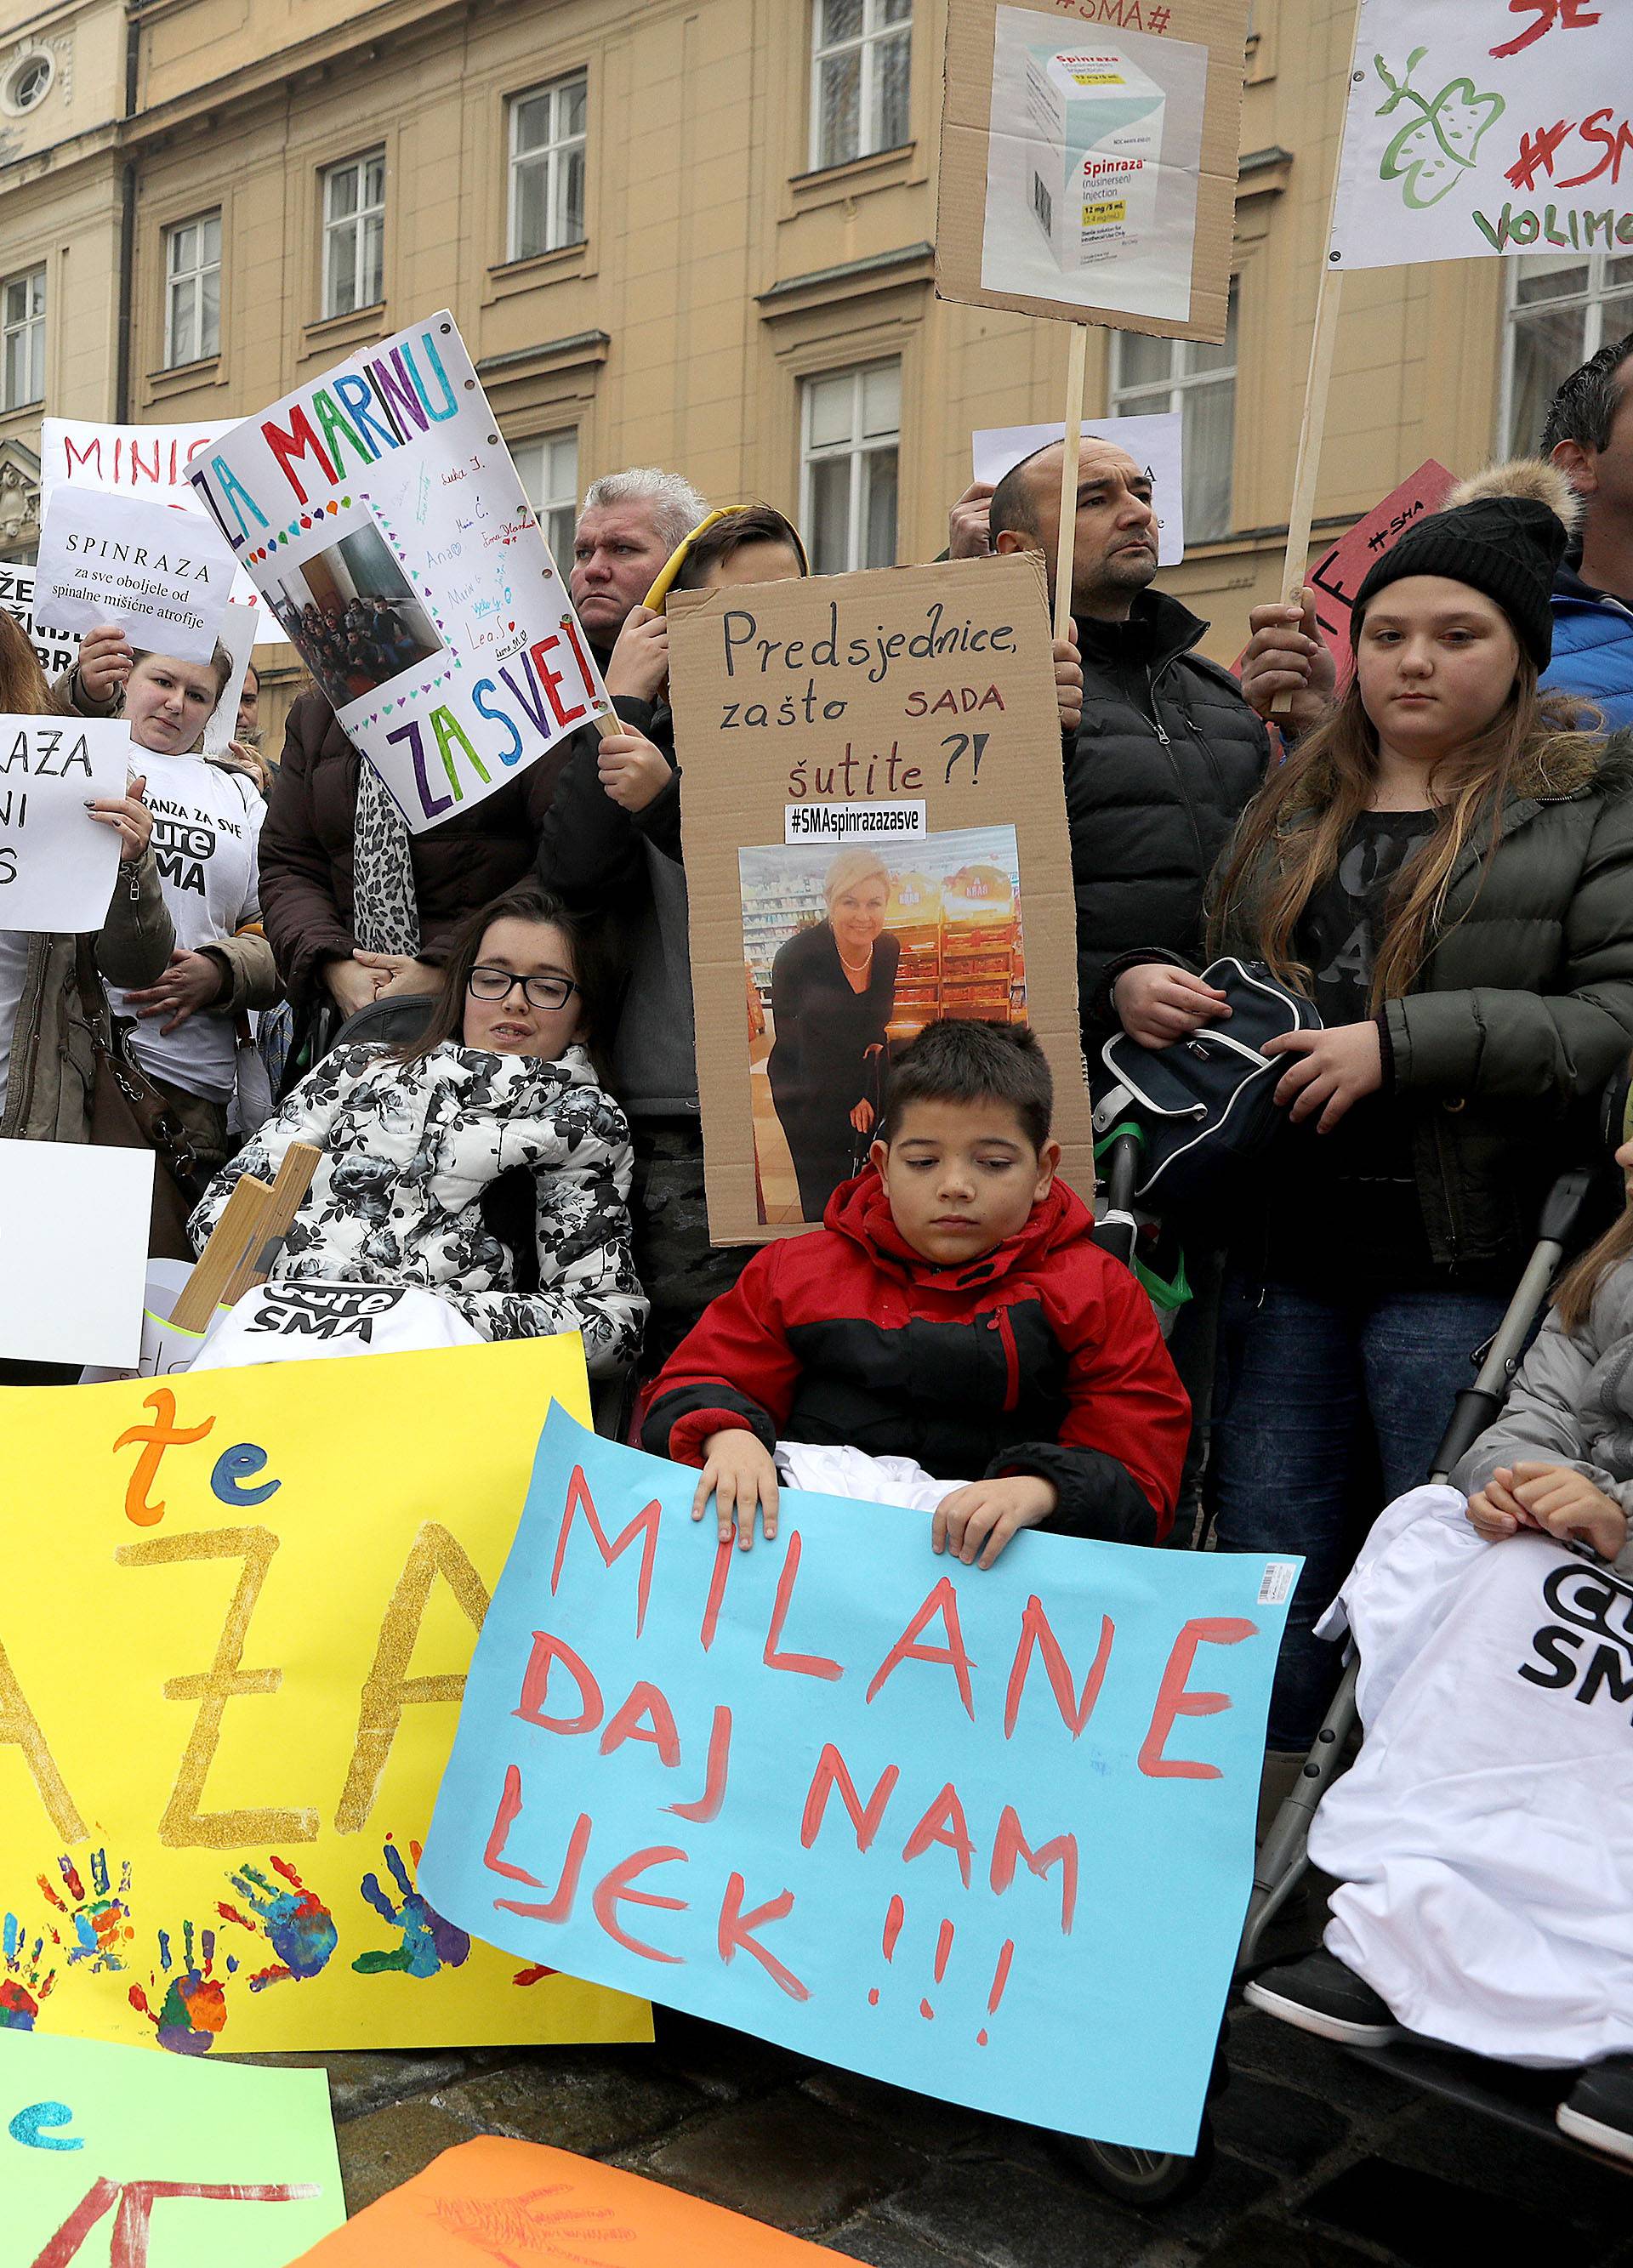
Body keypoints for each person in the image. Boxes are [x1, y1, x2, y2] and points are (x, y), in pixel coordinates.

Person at [1112, 459, 1633, 1758]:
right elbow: (1225, 975)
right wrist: (1144, 988)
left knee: (1438, 1560)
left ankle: (1399, 1839)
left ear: (1520, 654)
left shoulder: (1586, 803)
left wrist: (1400, 1047)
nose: (1415, 661)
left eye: (1460, 635)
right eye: (1390, 632)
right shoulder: (1293, 797)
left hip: (1463, 1263)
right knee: (1273, 1564)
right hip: (1282, 1254)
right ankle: (1259, 1839)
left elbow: (1617, 1022)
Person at [1244, 1110, 1633, 2162]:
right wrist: (1505, 1488)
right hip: (1572, 1563)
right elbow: (1523, 1421)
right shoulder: (1607, 1278)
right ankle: (1409, 1922)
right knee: (1451, 1545)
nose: (1628, 1158)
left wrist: (1621, 1523)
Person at [989, 435, 1268, 1540]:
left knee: (1179, 1417)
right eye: (1096, 497)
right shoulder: (982, 691)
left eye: (1144, 489)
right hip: (1058, 1113)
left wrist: (1309, 721)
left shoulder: (1213, 692)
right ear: (1019, 548)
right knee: (1058, 1410)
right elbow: (940, 894)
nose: (1136, 510)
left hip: (1211, 1110)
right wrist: (1110, 984)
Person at [640, 1018, 1188, 1557]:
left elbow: (1142, 1463)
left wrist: (1042, 1489)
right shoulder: (794, 1271)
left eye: (994, 1163)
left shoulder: (1098, 1289)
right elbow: (698, 1379)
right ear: (881, 1167)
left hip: (1005, 1576)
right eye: (923, 1162)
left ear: (1044, 1172)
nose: (955, 1186)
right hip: (808, 1560)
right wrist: (727, 1436)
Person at [539, 503, 806, 1363]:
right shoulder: (646, 731)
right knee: (699, 1369)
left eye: (791, 597)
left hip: (832, 1112)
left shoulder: (849, 730)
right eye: (742, 609)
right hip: (684, 1120)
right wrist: (622, 705)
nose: (773, 626)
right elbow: (572, 876)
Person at [188, 883, 646, 1369]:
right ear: (463, 989)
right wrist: (316, 1295)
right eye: (493, 979)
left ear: (582, 1021)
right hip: (272, 1342)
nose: (514, 1001)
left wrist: (421, 1319)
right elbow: (222, 1213)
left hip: (424, 1379)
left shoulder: (582, 1124)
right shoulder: (354, 1066)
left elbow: (609, 1321)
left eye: (548, 987)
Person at [97, 641, 277, 1179]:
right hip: (88, 1058)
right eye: (163, 682)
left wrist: (221, 971)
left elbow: (277, 930)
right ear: (127, 679)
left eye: (197, 694)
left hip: (196, 1084)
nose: (177, 704)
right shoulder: (82, 755)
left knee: (172, 1256)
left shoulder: (240, 796)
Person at [767, 847, 901, 1222]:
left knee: (868, 1173)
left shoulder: (889, 949)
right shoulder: (795, 957)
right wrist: (851, 1097)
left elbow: (877, 1027)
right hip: (805, 1086)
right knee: (823, 1187)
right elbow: (798, 1043)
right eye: (849, 902)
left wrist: (867, 1087)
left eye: (874, 902)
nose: (863, 915)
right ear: (829, 902)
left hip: (861, 1076)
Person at [569, 466, 708, 666]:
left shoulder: (727, 666)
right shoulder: (520, 677)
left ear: (681, 563)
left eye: (622, 549)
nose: (593, 570)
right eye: (583, 553)